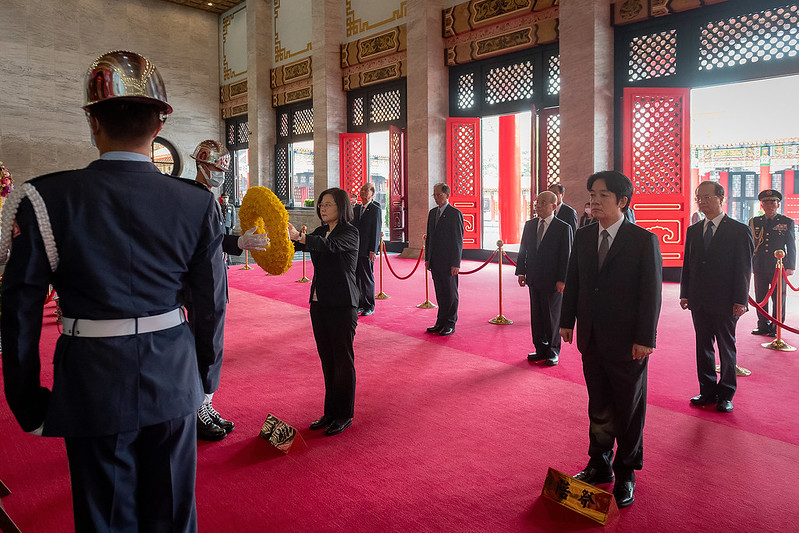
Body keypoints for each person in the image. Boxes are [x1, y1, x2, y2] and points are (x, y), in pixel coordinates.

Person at [0, 50, 227, 531]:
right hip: (174, 374)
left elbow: (18, 309)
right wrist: (204, 378)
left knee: (104, 516)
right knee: (170, 513)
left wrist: (27, 400)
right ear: (158, 124)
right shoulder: (195, 202)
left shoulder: (46, 197)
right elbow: (210, 304)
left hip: (91, 380)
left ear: (93, 123)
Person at [559, 170, 662, 509]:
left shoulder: (642, 239)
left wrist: (645, 338)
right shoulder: (584, 236)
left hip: (629, 342)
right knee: (599, 402)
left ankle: (626, 471)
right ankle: (599, 463)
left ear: (622, 201)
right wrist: (566, 320)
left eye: (602, 195)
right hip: (591, 336)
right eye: (592, 194)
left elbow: (651, 295)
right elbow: (574, 281)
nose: (594, 201)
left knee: (629, 408)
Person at [190, 139, 268, 441]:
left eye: (222, 168)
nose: (219, 173)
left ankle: (206, 403)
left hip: (213, 278)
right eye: (214, 166)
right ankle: (198, 406)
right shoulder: (196, 198)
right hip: (201, 282)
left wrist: (236, 241)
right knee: (206, 343)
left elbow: (215, 238)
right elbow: (207, 242)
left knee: (212, 342)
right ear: (200, 165)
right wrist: (236, 242)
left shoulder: (209, 199)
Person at [288, 188, 359, 436]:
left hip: (342, 303)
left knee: (343, 360)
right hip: (319, 303)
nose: (322, 208)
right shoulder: (319, 231)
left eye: (328, 204)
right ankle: (330, 412)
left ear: (342, 207)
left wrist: (303, 238)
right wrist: (284, 237)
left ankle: (344, 414)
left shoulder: (350, 232)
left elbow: (330, 246)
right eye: (321, 205)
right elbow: (298, 246)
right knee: (327, 359)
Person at [681, 181, 754, 414]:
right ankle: (707, 390)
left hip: (725, 301)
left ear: (721, 197)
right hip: (699, 300)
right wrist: (685, 293)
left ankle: (726, 394)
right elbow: (688, 266)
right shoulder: (693, 230)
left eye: (706, 197)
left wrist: (740, 300)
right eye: (698, 197)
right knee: (703, 346)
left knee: (726, 347)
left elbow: (743, 268)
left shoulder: (739, 230)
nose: (701, 201)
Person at [516, 191, 572, 366]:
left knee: (552, 317)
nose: (537, 205)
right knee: (537, 315)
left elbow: (566, 256)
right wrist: (521, 272)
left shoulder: (563, 228)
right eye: (537, 202)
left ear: (553, 206)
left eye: (542, 202)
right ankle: (540, 348)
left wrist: (562, 279)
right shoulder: (530, 225)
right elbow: (523, 249)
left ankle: (553, 350)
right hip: (533, 277)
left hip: (553, 280)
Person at [749, 189, 795, 337]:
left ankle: (776, 327)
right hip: (760, 265)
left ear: (778, 204)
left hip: (778, 267)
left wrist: (790, 266)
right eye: (766, 202)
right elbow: (750, 245)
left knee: (778, 298)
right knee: (761, 297)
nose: (769, 205)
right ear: (761, 205)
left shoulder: (786, 221)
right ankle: (762, 325)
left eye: (772, 202)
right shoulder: (755, 221)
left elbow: (791, 245)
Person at [425, 183, 464, 336]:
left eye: (439, 195)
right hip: (435, 260)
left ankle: (450, 322)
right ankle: (440, 321)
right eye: (434, 195)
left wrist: (456, 263)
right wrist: (428, 257)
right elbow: (429, 237)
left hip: (449, 262)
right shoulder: (432, 212)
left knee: (450, 293)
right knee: (440, 292)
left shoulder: (455, 213)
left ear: (447, 195)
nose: (436, 198)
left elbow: (457, 240)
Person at [353, 182, 382, 317]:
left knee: (367, 277)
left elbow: (376, 231)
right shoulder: (356, 209)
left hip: (367, 249)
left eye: (366, 191)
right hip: (355, 249)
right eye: (362, 190)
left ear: (372, 194)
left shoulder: (375, 209)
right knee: (357, 277)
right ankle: (360, 303)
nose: (363, 193)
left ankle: (369, 305)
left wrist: (373, 250)